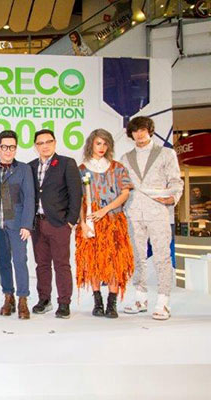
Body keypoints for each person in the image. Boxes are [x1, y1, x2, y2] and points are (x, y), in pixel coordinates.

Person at [120, 116, 183, 320]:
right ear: (131, 134)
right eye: (135, 131)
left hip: (157, 211)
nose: (139, 134)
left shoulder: (166, 153)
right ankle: (140, 298)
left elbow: (176, 181)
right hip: (133, 213)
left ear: (150, 131)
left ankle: (163, 301)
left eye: (143, 130)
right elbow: (122, 186)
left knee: (162, 256)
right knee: (137, 257)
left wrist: (173, 198)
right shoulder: (125, 158)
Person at [76, 129, 134, 319]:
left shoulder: (117, 168)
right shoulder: (81, 169)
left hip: (113, 221)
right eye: (98, 143)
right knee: (92, 261)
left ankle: (112, 303)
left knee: (115, 262)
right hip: (91, 222)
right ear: (91, 145)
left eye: (105, 143)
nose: (102, 147)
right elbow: (78, 200)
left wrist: (105, 210)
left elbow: (125, 193)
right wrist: (82, 223)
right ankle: (97, 302)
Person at [29, 129, 81, 319]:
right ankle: (44, 299)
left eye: (48, 141)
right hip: (37, 223)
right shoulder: (31, 166)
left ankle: (64, 303)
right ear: (36, 146)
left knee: (61, 264)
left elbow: (76, 194)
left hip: (59, 224)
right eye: (40, 143)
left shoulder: (67, 163)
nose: (45, 146)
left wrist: (70, 222)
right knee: (41, 264)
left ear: (55, 143)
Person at [0, 130, 35, 319]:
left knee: (19, 261)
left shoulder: (24, 169)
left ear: (16, 149)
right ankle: (8, 296)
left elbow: (29, 198)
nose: (8, 150)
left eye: (12, 147)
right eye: (4, 147)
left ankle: (23, 299)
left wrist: (27, 224)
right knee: (3, 262)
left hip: (17, 224)